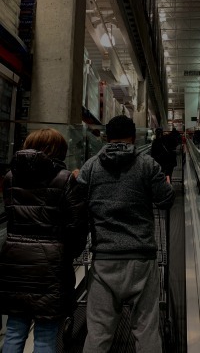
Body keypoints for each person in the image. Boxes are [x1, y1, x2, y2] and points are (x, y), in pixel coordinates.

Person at [78, 115, 175, 352]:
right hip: (141, 257)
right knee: (147, 330)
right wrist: (167, 185)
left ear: (106, 137)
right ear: (133, 137)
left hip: (104, 259)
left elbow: (77, 203)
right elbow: (165, 200)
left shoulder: (91, 166)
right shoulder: (147, 164)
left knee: (98, 333)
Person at [0, 129, 88, 353]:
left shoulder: (10, 177)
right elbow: (77, 224)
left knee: (14, 329)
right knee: (46, 333)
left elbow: (11, 216)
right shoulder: (65, 179)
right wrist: (68, 253)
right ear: (58, 150)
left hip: (15, 260)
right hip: (51, 264)